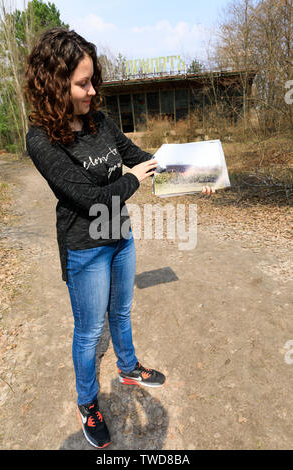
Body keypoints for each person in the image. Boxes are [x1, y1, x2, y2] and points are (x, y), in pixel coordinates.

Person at [24, 27, 215, 449]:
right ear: (55, 84)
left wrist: (194, 173)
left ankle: (129, 367)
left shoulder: (100, 122)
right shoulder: (41, 139)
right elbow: (89, 198)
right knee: (90, 332)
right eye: (82, 83)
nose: (92, 90)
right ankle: (87, 402)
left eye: (93, 80)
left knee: (122, 311)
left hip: (119, 235)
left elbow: (142, 160)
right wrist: (130, 181)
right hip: (85, 248)